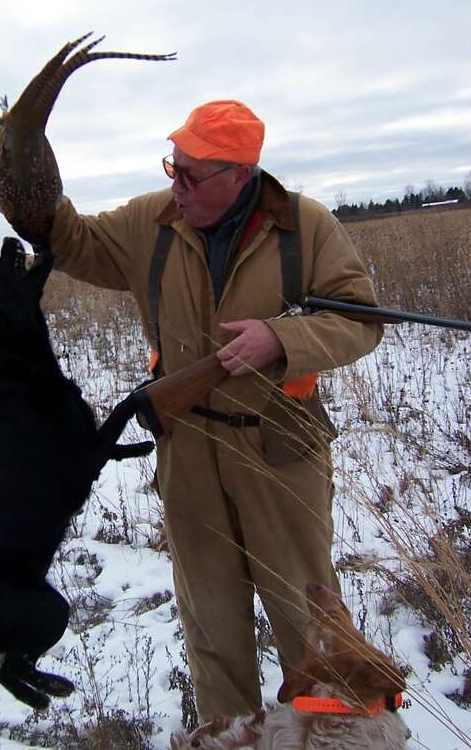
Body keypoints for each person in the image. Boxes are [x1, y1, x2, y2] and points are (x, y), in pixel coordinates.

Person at [46, 99, 383, 722]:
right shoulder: (152, 220)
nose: (176, 184)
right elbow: (73, 242)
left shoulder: (307, 227)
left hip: (280, 454)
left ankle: (323, 735)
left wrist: (282, 340)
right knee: (211, 623)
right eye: (172, 166)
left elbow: (360, 321)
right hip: (189, 453)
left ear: (239, 176)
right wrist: (30, 187)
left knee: (307, 620)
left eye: (191, 175)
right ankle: (228, 737)